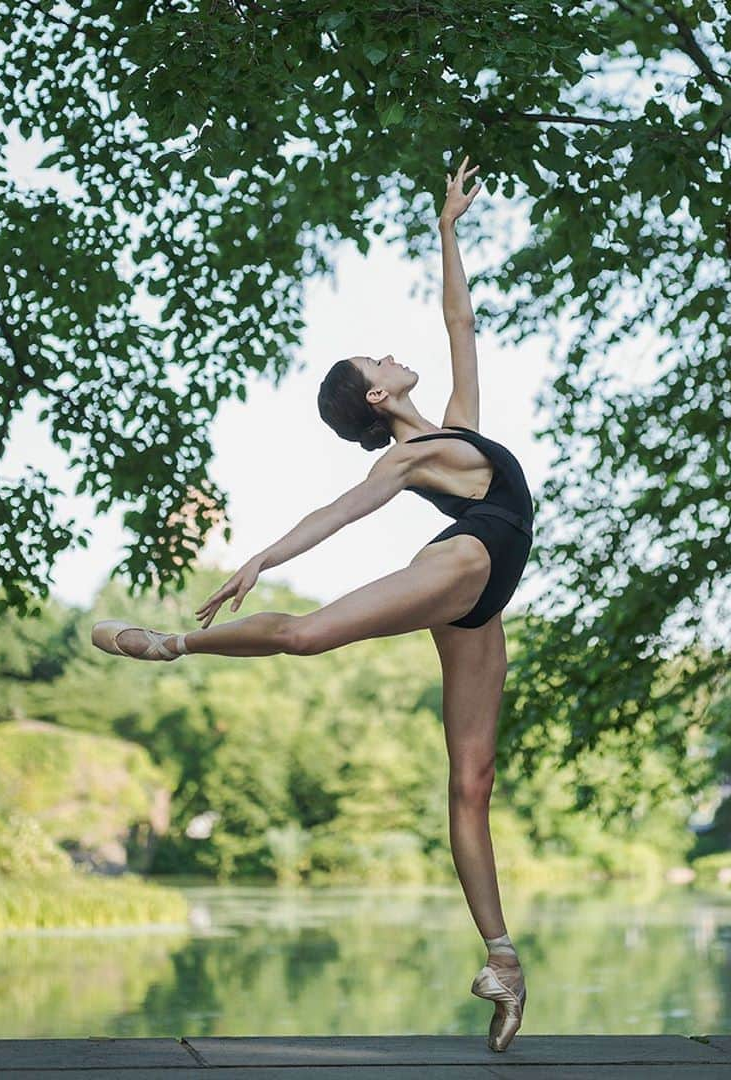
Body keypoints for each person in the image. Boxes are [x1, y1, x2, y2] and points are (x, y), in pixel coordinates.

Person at [92, 154, 531, 1052]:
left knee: (473, 783)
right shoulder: (404, 461)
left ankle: (502, 962)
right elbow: (339, 511)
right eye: (377, 359)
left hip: (482, 600)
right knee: (305, 636)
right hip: (465, 560)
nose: (390, 350)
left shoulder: (455, 426)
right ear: (378, 395)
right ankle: (173, 644)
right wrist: (261, 555)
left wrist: (447, 230)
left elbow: (462, 321)